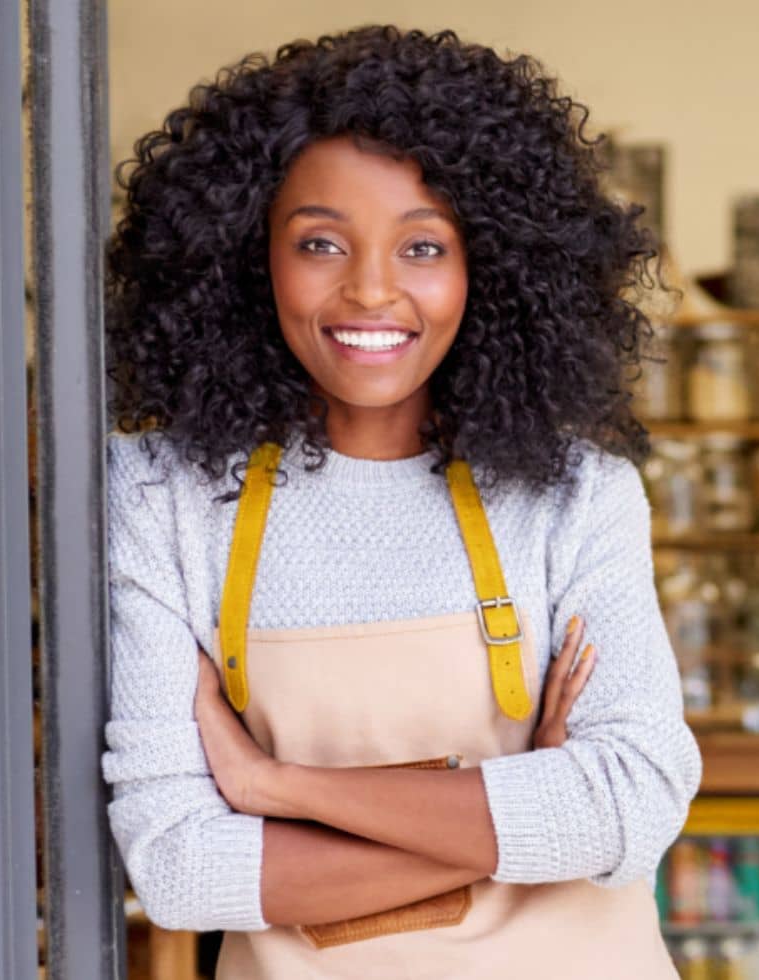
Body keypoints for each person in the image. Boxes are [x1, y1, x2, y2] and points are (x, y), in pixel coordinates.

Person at [101, 25, 700, 978]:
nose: (371, 290)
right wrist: (515, 815)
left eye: (422, 245)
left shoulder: (578, 497)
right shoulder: (161, 495)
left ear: (490, 271)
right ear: (247, 259)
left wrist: (274, 786)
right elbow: (181, 870)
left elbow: (632, 803)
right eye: (321, 243)